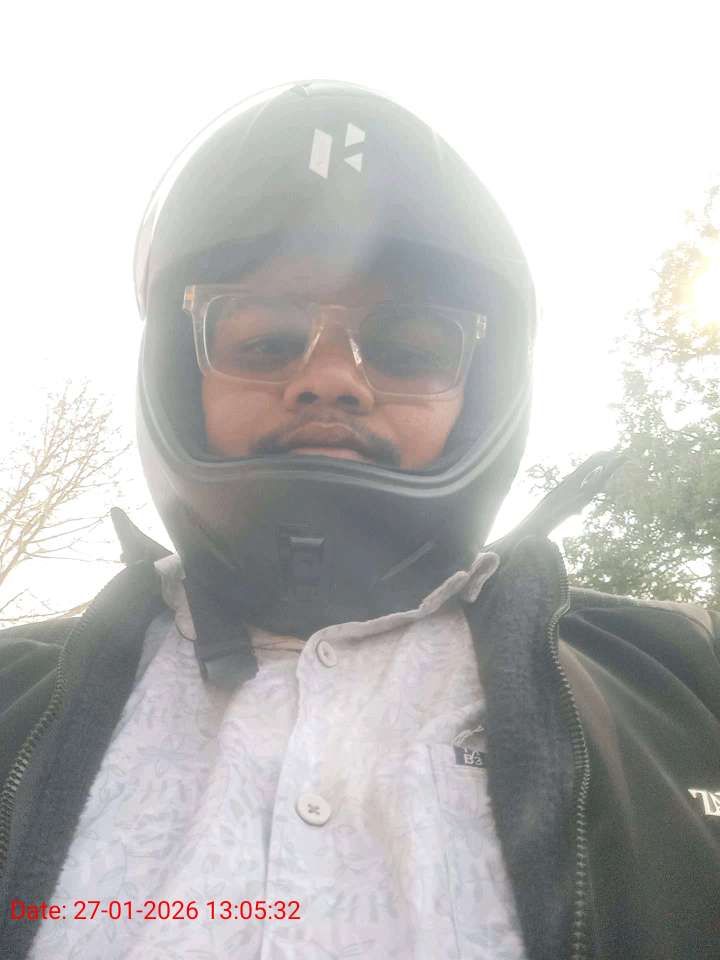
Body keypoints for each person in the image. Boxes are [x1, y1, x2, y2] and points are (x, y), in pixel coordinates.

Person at [0, 79, 718, 960]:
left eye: (409, 349)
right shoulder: (11, 691)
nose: (331, 378)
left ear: (481, 397)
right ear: (181, 380)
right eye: (266, 340)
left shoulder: (684, 680)